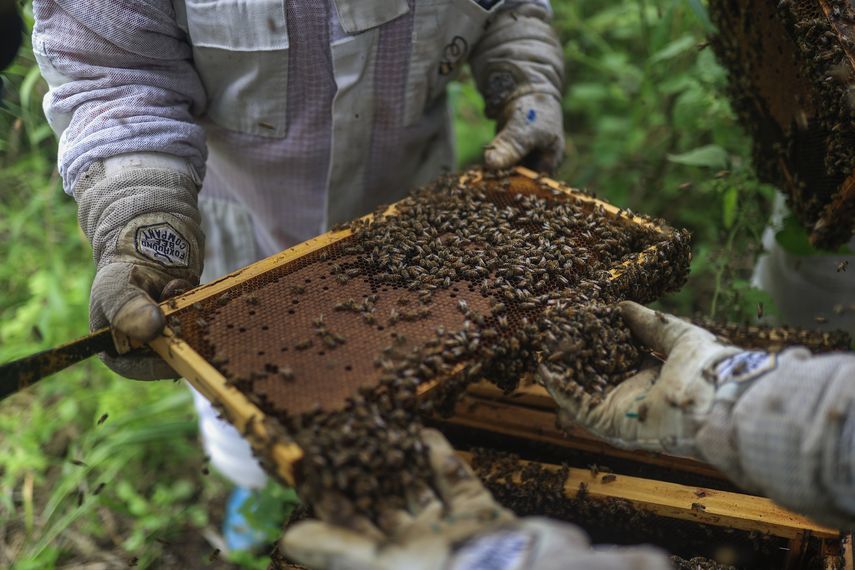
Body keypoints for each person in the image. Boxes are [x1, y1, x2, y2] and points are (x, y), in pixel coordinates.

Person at [32, 0, 565, 550]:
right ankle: (253, 480)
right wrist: (144, 224)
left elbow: (508, 6)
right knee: (240, 391)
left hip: (412, 235)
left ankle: (392, 464)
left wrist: (523, 78)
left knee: (414, 373)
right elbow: (116, 75)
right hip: (241, 238)